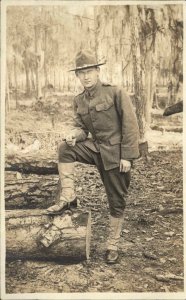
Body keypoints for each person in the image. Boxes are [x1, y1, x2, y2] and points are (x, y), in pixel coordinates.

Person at [47, 49, 140, 264]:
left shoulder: (115, 92)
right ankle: (68, 196)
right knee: (65, 148)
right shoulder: (79, 100)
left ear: (97, 72)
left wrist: (127, 156)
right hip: (95, 149)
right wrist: (73, 135)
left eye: (89, 71)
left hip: (116, 155)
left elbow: (131, 125)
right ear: (77, 76)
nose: (86, 76)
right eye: (81, 73)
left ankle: (112, 245)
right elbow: (82, 129)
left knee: (116, 201)